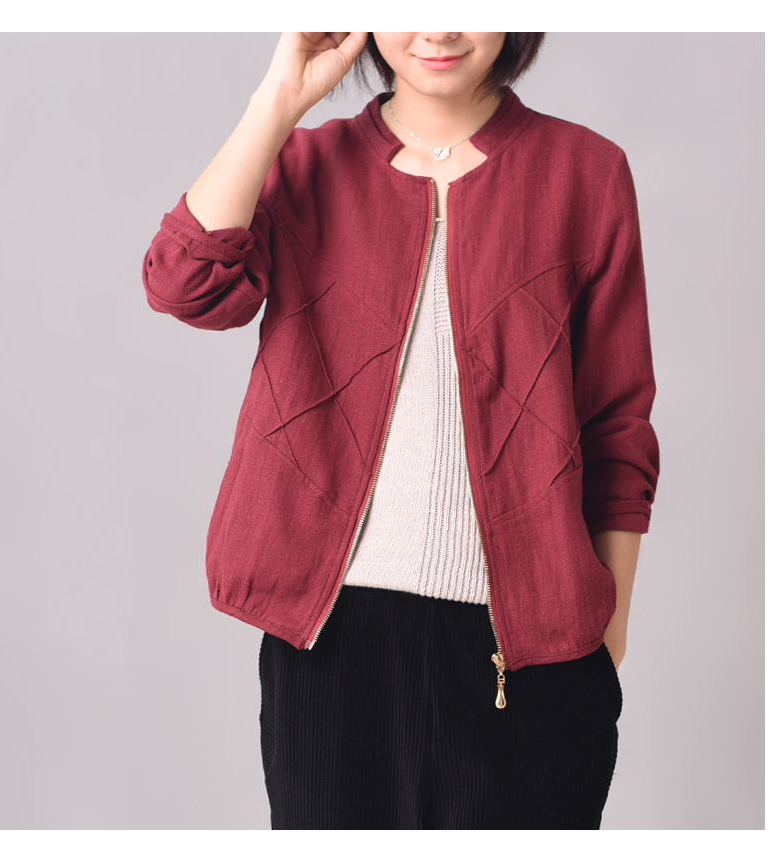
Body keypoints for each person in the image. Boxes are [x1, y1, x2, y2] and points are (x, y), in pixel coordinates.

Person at [142, 32, 660, 830]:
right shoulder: (302, 165)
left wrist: (605, 635)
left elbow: (617, 420)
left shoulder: (585, 173)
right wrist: (278, 102)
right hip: (331, 644)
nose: (438, 29)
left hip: (531, 650)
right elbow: (185, 284)